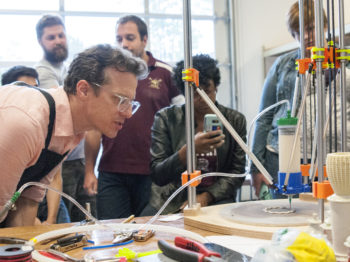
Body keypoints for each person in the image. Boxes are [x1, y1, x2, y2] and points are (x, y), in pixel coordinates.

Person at [0, 44, 147, 227]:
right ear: (83, 89)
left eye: (131, 103)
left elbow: (27, 200)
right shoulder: (28, 123)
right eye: (121, 100)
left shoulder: (69, 131)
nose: (128, 113)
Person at [84, 15, 184, 219]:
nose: (124, 44)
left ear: (144, 39)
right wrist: (88, 170)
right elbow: (93, 125)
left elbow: (183, 122)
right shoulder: (107, 76)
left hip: (153, 174)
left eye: (130, 38)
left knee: (148, 234)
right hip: (112, 171)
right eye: (119, 39)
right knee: (112, 234)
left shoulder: (166, 74)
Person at [141, 54, 247, 215]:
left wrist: (207, 196)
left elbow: (237, 172)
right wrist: (190, 150)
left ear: (216, 87)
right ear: (183, 93)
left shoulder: (234, 121)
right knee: (147, 232)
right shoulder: (166, 118)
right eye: (195, 94)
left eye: (207, 91)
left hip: (217, 198)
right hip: (170, 199)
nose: (202, 99)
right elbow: (158, 174)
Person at [250, 0, 328, 198]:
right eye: (298, 32)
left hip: (328, 156)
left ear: (324, 25)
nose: (306, 36)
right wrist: (256, 165)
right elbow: (264, 116)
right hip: (282, 156)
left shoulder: (342, 63)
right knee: (284, 216)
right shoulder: (282, 65)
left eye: (310, 28)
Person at [35, 14, 96, 222]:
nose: (58, 41)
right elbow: (64, 111)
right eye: (51, 37)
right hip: (60, 162)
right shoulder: (42, 72)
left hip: (77, 157)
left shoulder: (65, 70)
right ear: (40, 42)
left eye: (61, 35)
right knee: (64, 226)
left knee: (84, 223)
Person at [1, 65, 70, 225]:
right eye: (28, 89)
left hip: (36, 201)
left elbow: (50, 181)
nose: (36, 94)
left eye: (37, 88)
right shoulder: (20, 124)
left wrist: (50, 220)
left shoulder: (52, 128)